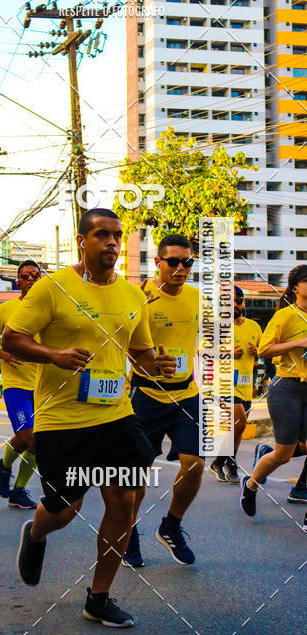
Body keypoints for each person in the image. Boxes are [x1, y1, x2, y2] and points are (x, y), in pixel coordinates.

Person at [3, 209, 176, 628]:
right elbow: (12, 339)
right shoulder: (53, 287)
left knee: (124, 499)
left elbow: (140, 353)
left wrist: (156, 366)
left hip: (116, 415)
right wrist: (54, 355)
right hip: (62, 419)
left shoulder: (133, 295)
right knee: (65, 510)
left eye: (117, 235)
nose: (112, 242)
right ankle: (36, 532)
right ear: (82, 241)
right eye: (102, 235)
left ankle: (98, 597)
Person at [123, 233, 203, 568]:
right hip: (146, 395)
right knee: (136, 475)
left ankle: (171, 526)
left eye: (188, 262)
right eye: (173, 262)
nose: (181, 268)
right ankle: (128, 531)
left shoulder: (198, 297)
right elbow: (121, 341)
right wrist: (149, 360)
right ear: (158, 262)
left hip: (186, 394)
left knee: (195, 464)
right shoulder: (139, 296)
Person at [240, 265, 307, 516]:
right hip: (287, 388)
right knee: (283, 455)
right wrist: (299, 343)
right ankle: (251, 485)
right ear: (295, 287)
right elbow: (264, 350)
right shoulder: (285, 316)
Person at [0, 259, 42, 511]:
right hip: (16, 385)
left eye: (35, 275)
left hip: (43, 386)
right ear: (18, 281)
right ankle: (4, 465)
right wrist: (4, 355)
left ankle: (18, 491)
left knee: (38, 442)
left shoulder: (49, 310)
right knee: (26, 437)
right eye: (25, 276)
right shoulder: (5, 309)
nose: (30, 279)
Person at [209, 285, 262, 483]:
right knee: (239, 421)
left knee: (239, 427)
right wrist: (227, 353)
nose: (234, 305)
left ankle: (225, 461)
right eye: (228, 301)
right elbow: (202, 351)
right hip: (225, 383)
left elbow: (265, 350)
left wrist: (258, 351)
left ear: (243, 302)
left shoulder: (254, 326)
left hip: (246, 384)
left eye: (238, 301)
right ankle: (223, 462)